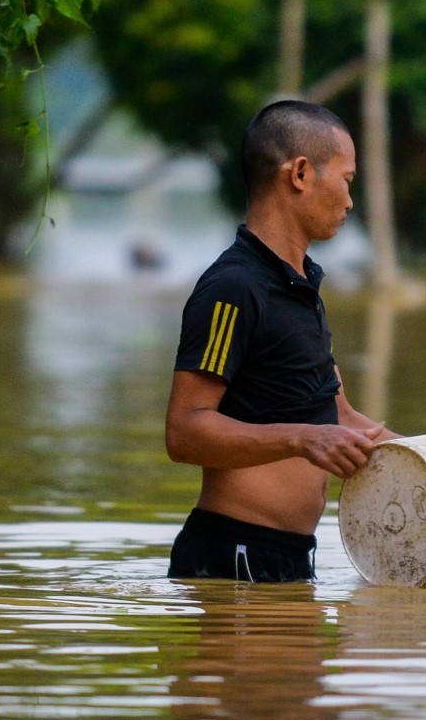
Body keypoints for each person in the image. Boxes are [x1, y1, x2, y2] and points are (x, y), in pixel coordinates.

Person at [163, 101, 394, 583]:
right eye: (347, 179)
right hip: (233, 556)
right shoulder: (233, 288)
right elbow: (184, 433)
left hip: (290, 559)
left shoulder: (302, 286)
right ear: (302, 174)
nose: (351, 200)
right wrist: (301, 438)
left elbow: (342, 421)